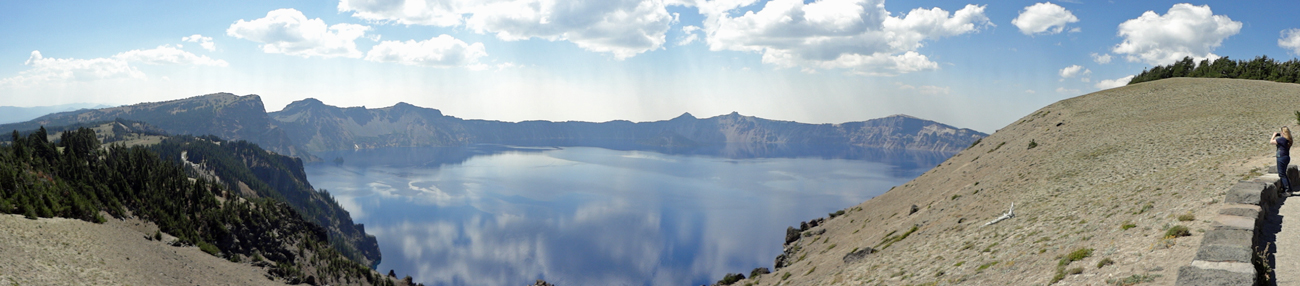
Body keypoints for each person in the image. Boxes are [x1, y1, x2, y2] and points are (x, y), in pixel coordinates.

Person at [1272, 126, 1293, 195]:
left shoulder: (1282, 139)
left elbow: (1271, 142)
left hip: (1281, 157)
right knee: (1284, 174)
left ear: (1283, 132)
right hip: (1286, 157)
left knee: (1282, 174)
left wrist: (1274, 135)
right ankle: (1289, 189)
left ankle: (1287, 191)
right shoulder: (1288, 139)